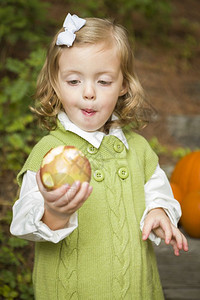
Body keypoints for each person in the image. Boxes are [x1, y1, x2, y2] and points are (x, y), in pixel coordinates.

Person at [10, 13, 188, 299]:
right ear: (56, 83)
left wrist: (159, 211)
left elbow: (160, 192)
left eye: (104, 82)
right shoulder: (49, 152)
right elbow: (23, 222)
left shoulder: (138, 150)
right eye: (74, 81)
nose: (89, 93)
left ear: (124, 85)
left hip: (137, 290)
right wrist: (55, 211)